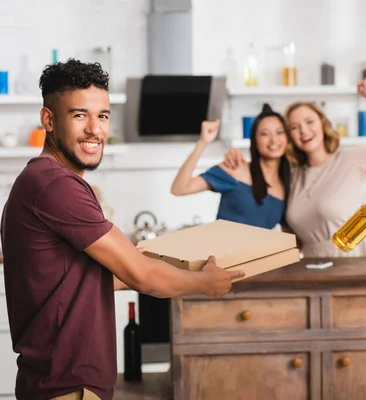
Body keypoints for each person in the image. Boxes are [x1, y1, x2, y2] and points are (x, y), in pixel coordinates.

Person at [0, 59, 243, 400]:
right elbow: (142, 275)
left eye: (102, 116)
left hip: (60, 384)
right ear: (49, 120)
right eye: (79, 115)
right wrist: (205, 283)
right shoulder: (55, 185)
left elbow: (73, 285)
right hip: (66, 387)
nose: (94, 129)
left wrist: (153, 266)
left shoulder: (41, 180)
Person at [224, 78, 366, 257]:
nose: (304, 131)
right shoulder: (291, 174)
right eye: (294, 127)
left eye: (309, 122)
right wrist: (235, 158)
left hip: (360, 260)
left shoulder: (353, 157)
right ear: (289, 136)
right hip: (314, 267)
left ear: (322, 124)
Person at [171, 103, 290, 230]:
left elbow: (289, 232)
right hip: (220, 249)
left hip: (262, 251)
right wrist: (203, 142)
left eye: (279, 132)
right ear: (254, 140)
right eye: (265, 134)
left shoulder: (288, 184)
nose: (273, 140)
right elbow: (179, 189)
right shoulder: (235, 168)